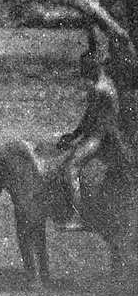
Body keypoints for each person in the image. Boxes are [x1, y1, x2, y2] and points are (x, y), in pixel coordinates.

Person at [55, 59, 120, 231]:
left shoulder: (99, 89)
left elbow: (91, 120)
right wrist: (75, 134)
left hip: (100, 136)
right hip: (103, 132)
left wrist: (76, 138)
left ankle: (79, 217)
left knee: (70, 168)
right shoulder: (106, 84)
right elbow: (89, 116)